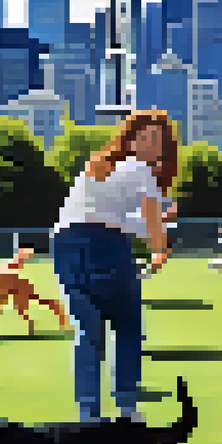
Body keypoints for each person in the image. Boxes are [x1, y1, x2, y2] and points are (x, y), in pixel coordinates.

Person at [50, 110, 178, 424]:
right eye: (146, 137)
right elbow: (143, 221)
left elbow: (112, 217)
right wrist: (160, 247)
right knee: (127, 324)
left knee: (87, 330)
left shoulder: (98, 165)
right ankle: (127, 408)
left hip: (65, 245)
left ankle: (88, 413)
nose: (150, 145)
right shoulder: (141, 169)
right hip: (105, 246)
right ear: (131, 139)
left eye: (155, 140)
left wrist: (157, 224)